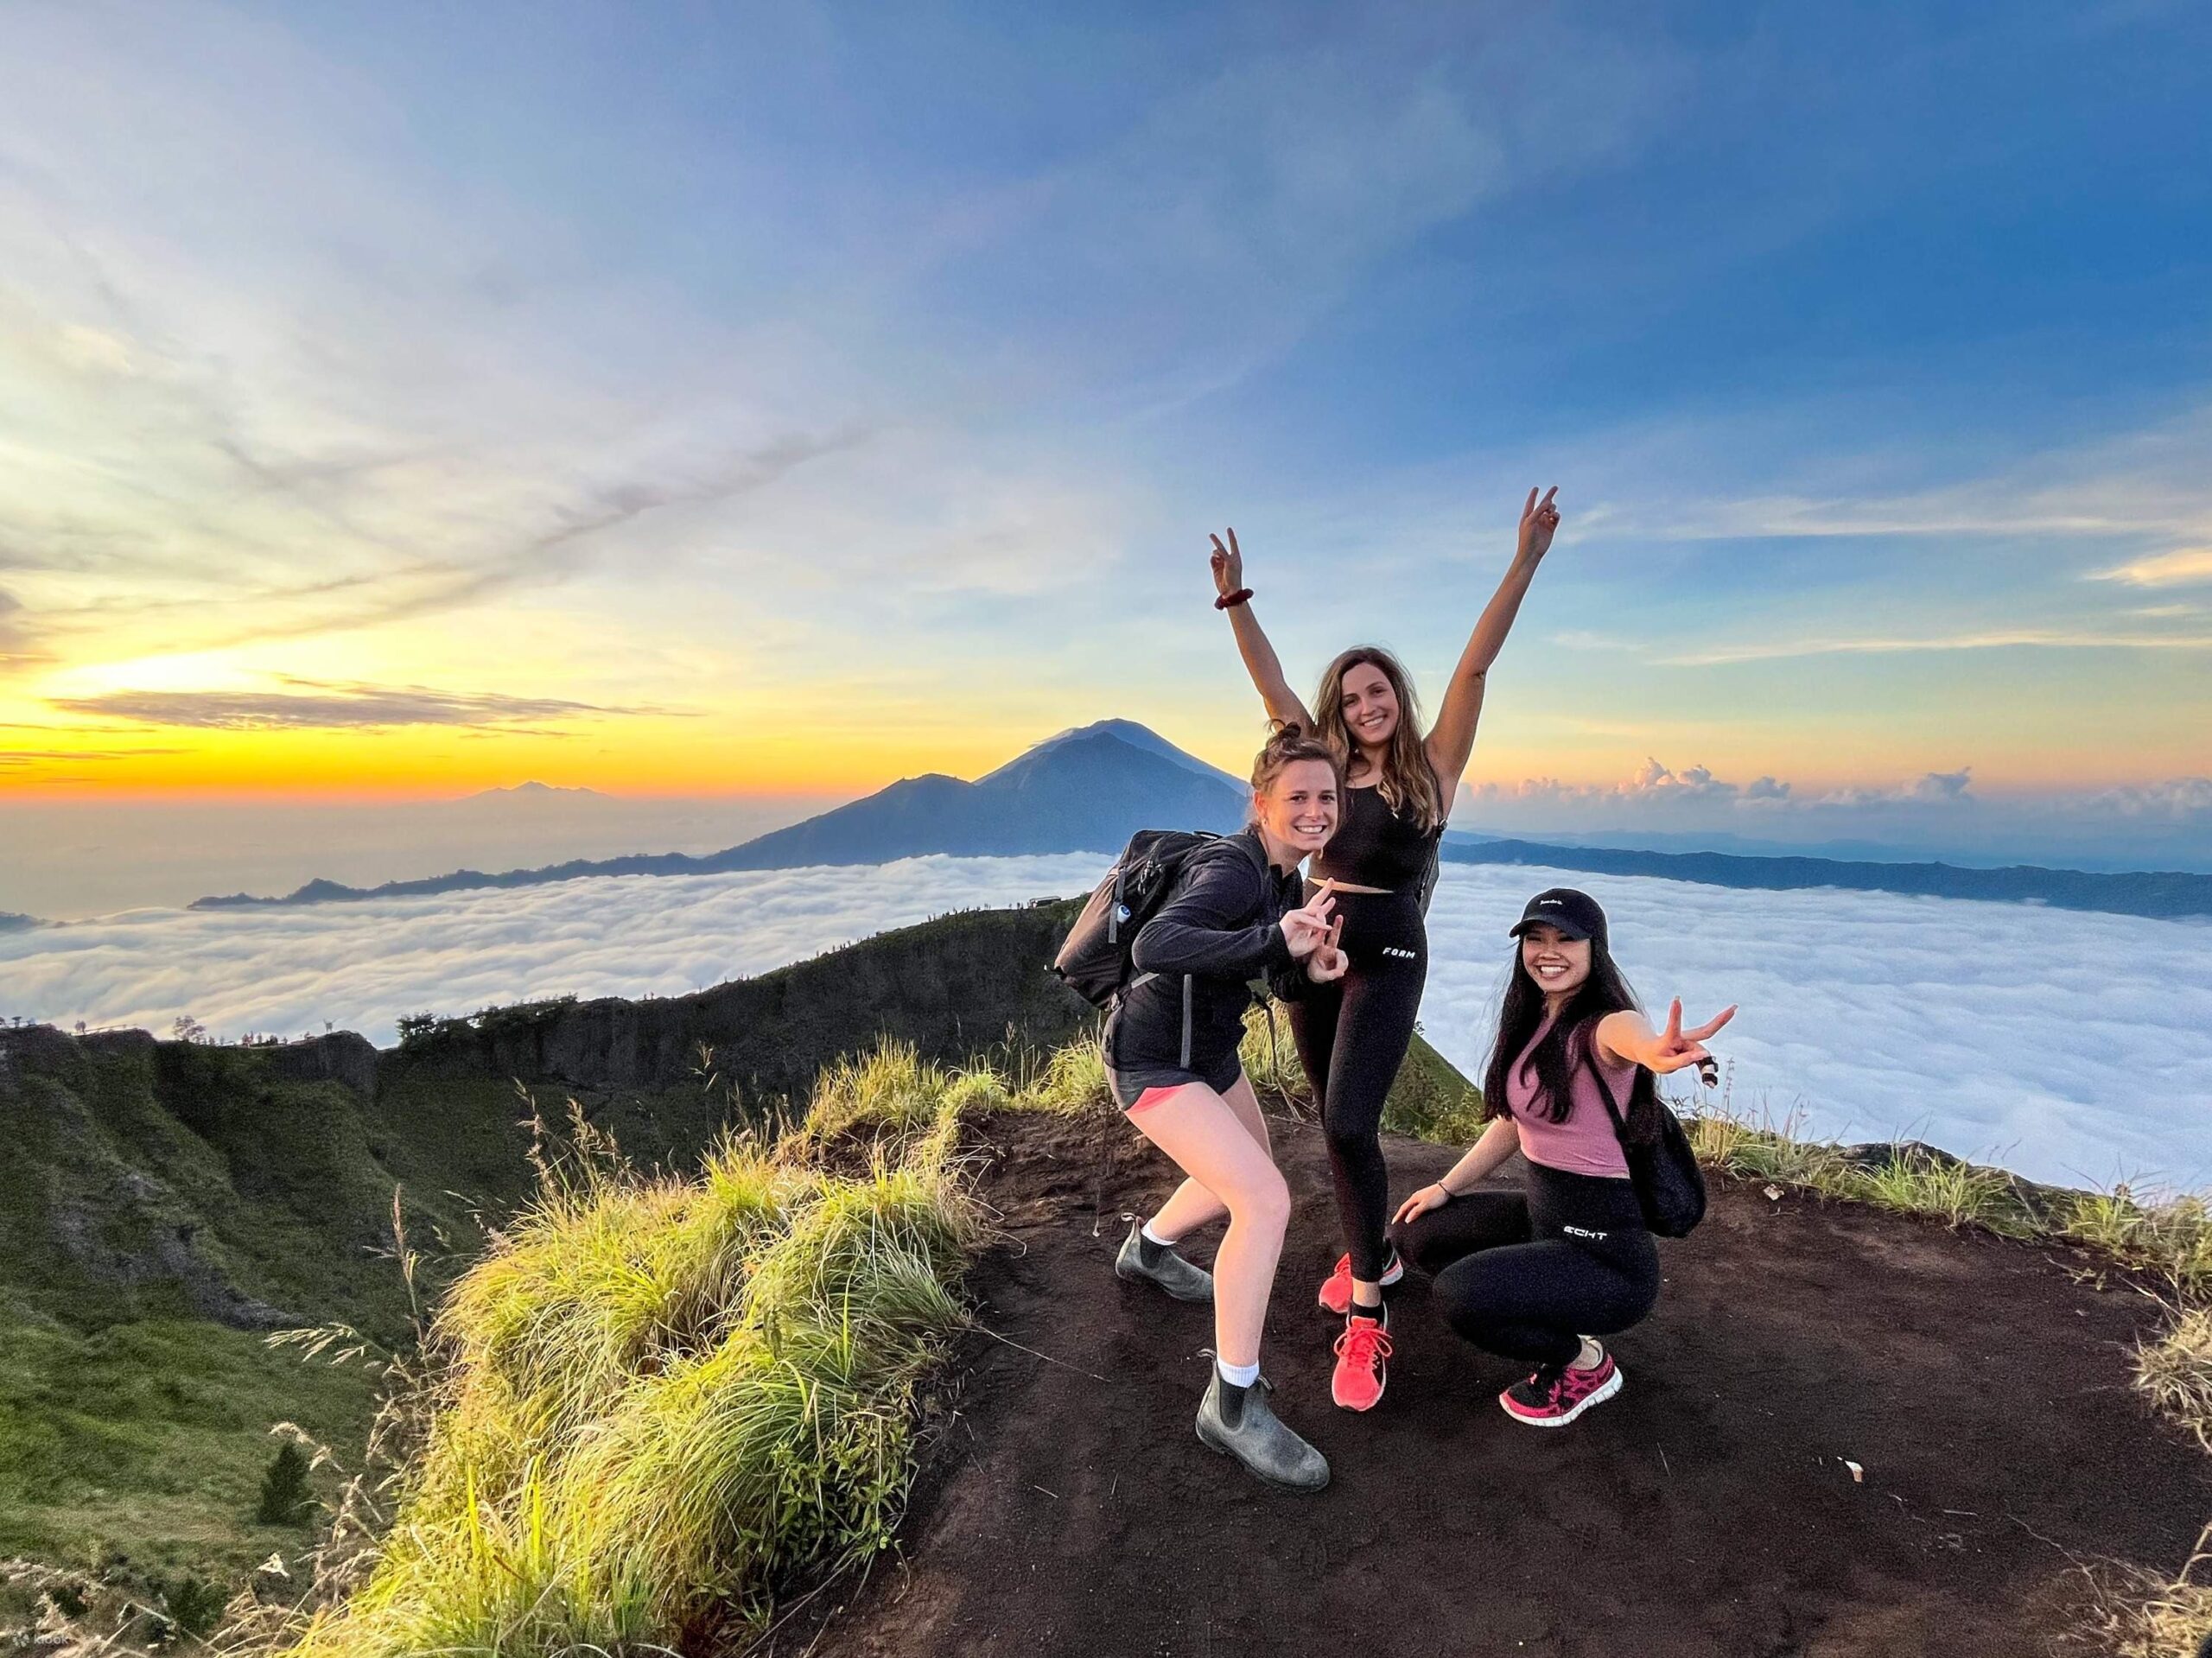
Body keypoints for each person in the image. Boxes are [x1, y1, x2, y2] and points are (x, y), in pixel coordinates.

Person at [1207, 487, 1560, 1412]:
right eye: (1351, 694)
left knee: (1353, 1121)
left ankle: (1368, 1311)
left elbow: (1476, 667)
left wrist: (1522, 560)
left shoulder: (1432, 767)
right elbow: (1269, 688)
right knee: (1332, 1117)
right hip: (1314, 942)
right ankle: (1373, 1247)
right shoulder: (1319, 761)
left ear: (1398, 700)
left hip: (1390, 950)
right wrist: (1236, 601)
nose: (1365, 705)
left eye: (1378, 692)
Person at [1106, 725, 1351, 1490]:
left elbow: (1268, 970)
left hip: (1205, 1055)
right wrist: (1275, 935)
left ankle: (1147, 1250)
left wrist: (1309, 963)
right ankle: (1233, 1403)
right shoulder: (1235, 870)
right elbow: (1157, 945)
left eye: (1326, 797)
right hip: (1153, 1059)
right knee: (1265, 1198)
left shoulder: (1283, 877)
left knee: (1245, 1174)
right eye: (1298, 797)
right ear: (1262, 802)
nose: (1314, 810)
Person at [1388, 887, 1736, 1426]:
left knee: (1459, 1297)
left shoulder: (1602, 1025)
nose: (1548, 951)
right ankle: (1539, 1288)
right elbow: (1512, 1123)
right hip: (1545, 1218)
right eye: (1535, 938)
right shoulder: (1534, 1021)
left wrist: (1655, 1051)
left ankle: (1584, 1362)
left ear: (1595, 950)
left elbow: (1631, 1037)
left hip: (1608, 1260)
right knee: (1417, 1234)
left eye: (1566, 940)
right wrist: (1446, 1187)